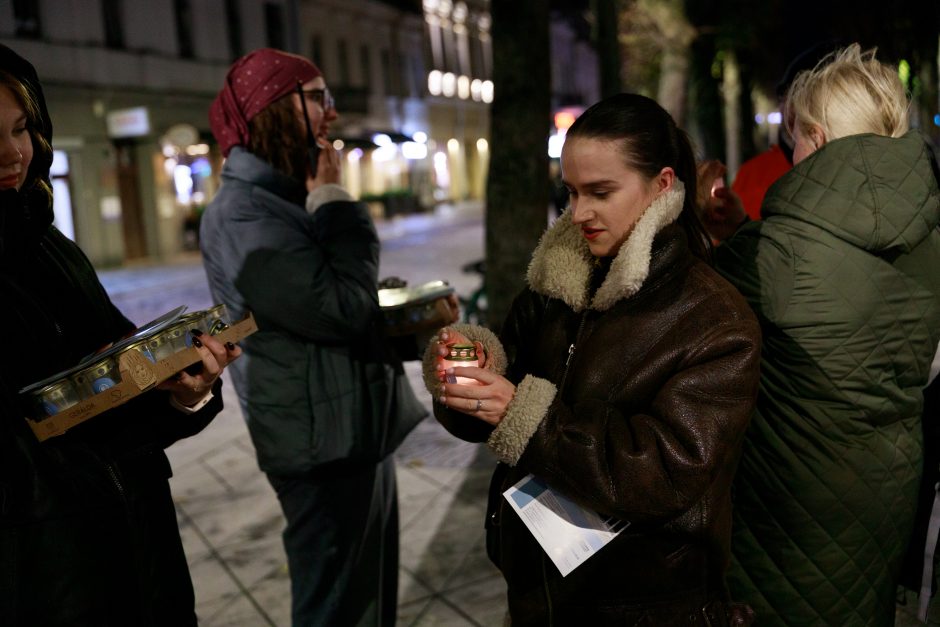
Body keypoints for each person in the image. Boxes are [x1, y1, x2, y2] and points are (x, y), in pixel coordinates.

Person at [422, 93, 762, 625]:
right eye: (572, 192)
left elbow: (665, 472)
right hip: (538, 589)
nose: (579, 213)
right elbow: (501, 394)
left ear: (662, 185)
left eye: (601, 192)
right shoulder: (555, 282)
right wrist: (470, 375)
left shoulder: (714, 319)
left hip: (644, 603)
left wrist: (525, 415)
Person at [199, 48, 452, 626]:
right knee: (338, 610)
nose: (331, 114)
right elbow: (338, 310)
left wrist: (411, 320)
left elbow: (339, 308)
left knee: (367, 601)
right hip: (319, 445)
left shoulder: (283, 197)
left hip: (350, 428)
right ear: (269, 109)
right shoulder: (244, 214)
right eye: (315, 98)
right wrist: (337, 204)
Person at [0, 44, 240, 626]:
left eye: (21, 128)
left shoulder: (52, 248)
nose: (13, 153)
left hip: (140, 554)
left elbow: (117, 380)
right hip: (43, 577)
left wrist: (182, 393)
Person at [703, 44, 940, 625]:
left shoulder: (775, 255)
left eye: (797, 140)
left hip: (792, 507)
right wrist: (742, 229)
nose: (792, 155)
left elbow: (686, 297)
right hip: (886, 491)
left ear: (820, 140)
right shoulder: (929, 240)